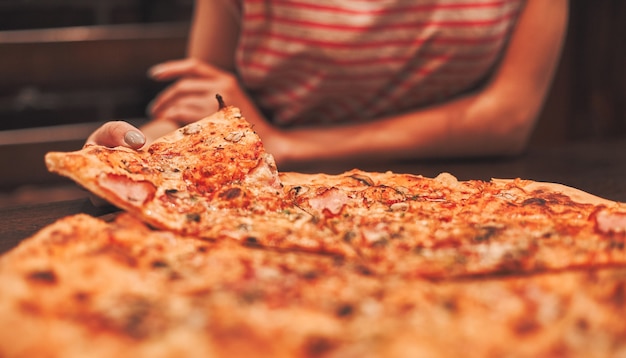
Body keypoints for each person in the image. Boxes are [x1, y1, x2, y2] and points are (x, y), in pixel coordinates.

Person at [87, 0, 568, 169]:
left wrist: (286, 144)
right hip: (262, 199)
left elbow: (508, 118)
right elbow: (201, 108)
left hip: (470, 204)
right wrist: (134, 154)